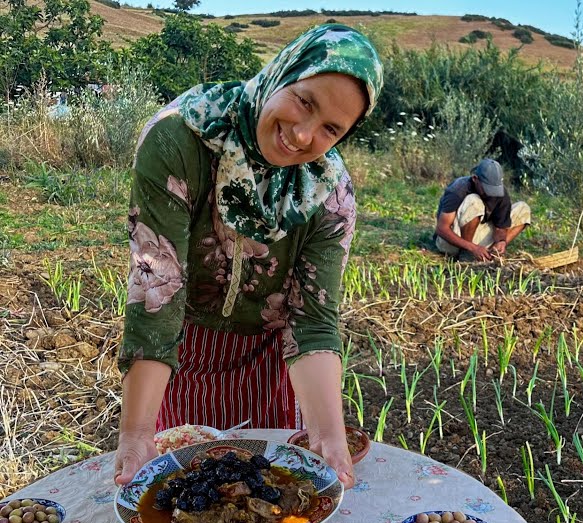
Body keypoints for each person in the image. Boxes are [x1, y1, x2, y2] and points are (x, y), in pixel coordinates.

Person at [112, 24, 385, 490]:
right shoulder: (180, 140)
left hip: (269, 364)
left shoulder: (329, 193)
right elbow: (158, 289)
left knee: (266, 495)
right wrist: (136, 432)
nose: (303, 135)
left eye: (330, 129)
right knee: (183, 493)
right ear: (283, 72)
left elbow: (313, 320)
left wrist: (327, 434)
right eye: (304, 101)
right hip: (179, 351)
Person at [431, 158, 531, 261]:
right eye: (487, 188)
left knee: (523, 209)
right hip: (451, 242)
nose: (491, 193)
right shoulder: (457, 189)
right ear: (475, 179)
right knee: (474, 200)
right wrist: (472, 248)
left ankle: (491, 253)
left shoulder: (500, 192)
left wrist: (501, 241)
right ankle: (466, 254)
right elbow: (441, 228)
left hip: (477, 240)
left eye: (494, 189)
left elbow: (500, 227)